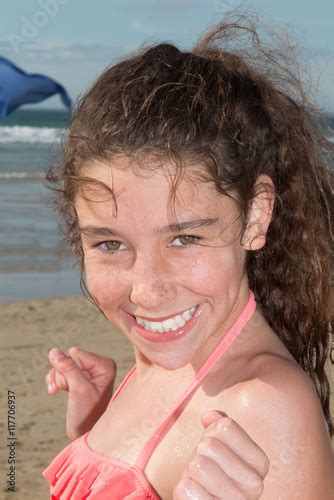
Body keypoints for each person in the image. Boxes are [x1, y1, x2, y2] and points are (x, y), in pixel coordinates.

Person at [42, 12, 334, 499]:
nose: (147, 291)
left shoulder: (269, 411)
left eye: (185, 239)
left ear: (256, 217)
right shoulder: (165, 352)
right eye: (111, 244)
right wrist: (98, 427)